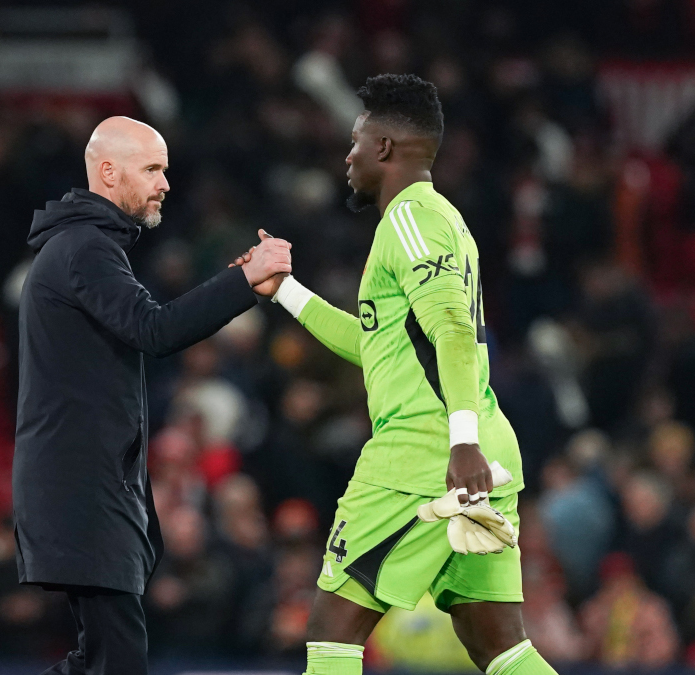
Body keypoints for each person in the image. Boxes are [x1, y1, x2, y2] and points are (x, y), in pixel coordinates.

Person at [238, 75, 557, 675]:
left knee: (332, 631)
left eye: (356, 141)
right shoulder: (441, 221)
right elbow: (379, 346)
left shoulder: (411, 218)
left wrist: (461, 444)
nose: (347, 157)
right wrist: (285, 291)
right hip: (473, 451)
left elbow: (453, 330)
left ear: (384, 147)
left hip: (425, 458)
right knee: (499, 646)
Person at [13, 115, 291, 675]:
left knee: (101, 660)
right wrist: (243, 281)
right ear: (108, 172)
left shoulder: (82, 245)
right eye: (152, 169)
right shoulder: (85, 247)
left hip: (84, 483)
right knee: (117, 661)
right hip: (83, 487)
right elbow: (154, 329)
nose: (165, 183)